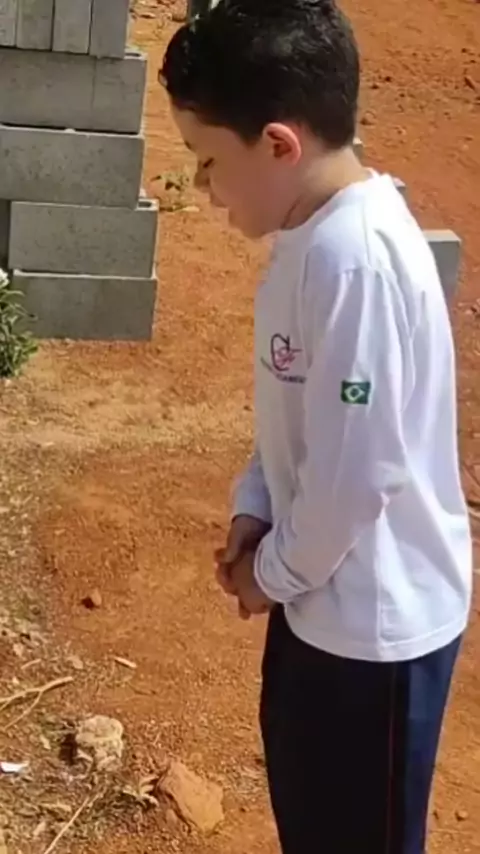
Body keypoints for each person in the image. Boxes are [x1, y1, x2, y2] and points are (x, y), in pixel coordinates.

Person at [161, 1, 472, 851]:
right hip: (321, 602)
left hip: (373, 633)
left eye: (208, 161)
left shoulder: (353, 262)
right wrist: (255, 504)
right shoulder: (312, 236)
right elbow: (298, 412)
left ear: (277, 145)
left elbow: (355, 477)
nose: (203, 188)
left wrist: (270, 572)